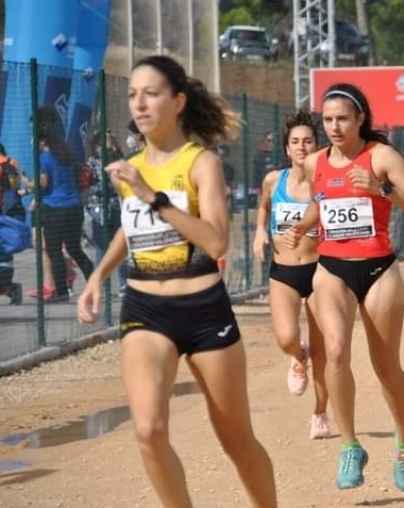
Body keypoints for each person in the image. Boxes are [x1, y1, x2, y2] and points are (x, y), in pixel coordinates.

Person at [76, 55, 277, 508]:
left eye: (151, 93)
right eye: (133, 95)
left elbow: (217, 241)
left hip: (204, 310)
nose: (139, 104)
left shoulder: (201, 163)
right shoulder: (130, 167)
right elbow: (132, 228)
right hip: (145, 309)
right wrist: (97, 275)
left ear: (178, 100)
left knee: (237, 441)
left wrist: (154, 195)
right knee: (148, 430)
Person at [282, 83, 404, 491]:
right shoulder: (315, 162)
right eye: (327, 119)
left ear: (360, 118)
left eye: (342, 119)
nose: (334, 127)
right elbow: (322, 200)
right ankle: (349, 445)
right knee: (333, 353)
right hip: (331, 269)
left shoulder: (380, 156)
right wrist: (303, 224)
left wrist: (381, 188)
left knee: (387, 369)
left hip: (379, 269)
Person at [253, 108, 331, 440]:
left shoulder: (326, 182)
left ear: (317, 147)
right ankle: (299, 357)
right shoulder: (274, 180)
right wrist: (259, 232)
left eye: (308, 141)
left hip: (319, 272)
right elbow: (264, 207)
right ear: (286, 149)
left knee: (324, 349)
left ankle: (320, 413)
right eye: (295, 142)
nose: (301, 147)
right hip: (283, 271)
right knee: (286, 338)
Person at [35, 106, 94, 302]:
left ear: (42, 140)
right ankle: (93, 280)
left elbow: (44, 183)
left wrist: (30, 185)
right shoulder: (67, 154)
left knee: (53, 250)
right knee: (74, 248)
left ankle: (61, 291)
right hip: (74, 207)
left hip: (54, 208)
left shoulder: (44, 157)